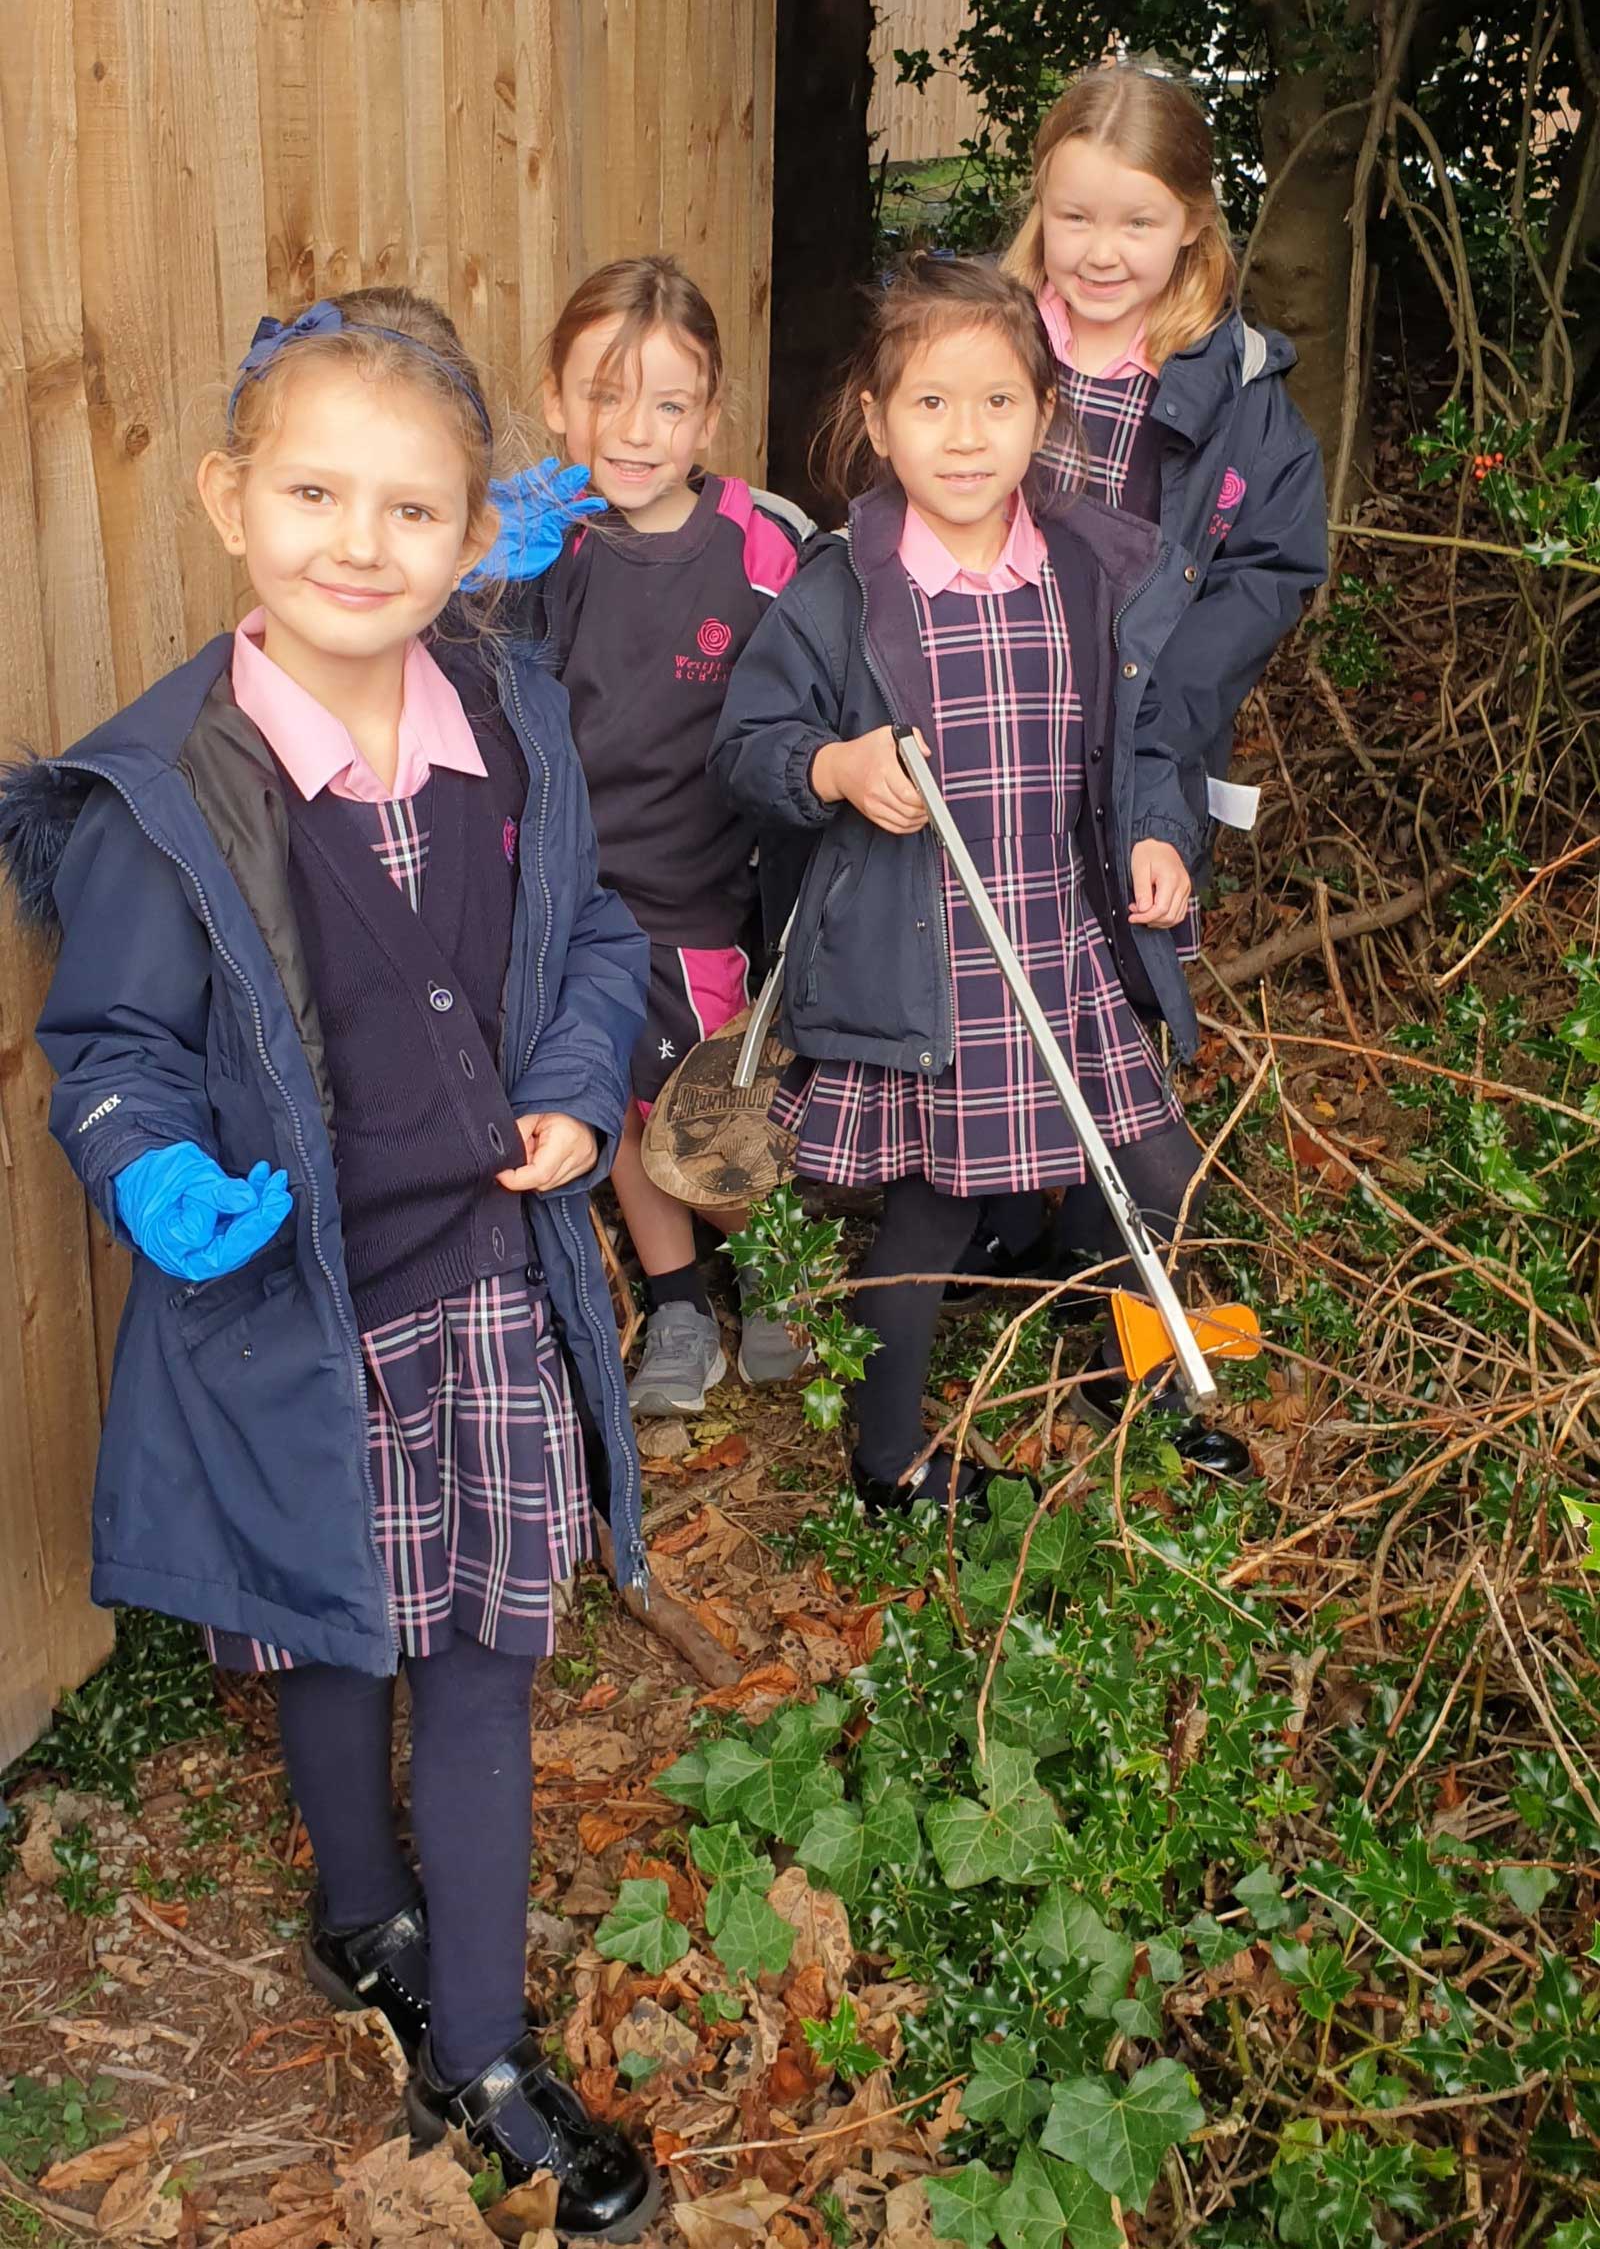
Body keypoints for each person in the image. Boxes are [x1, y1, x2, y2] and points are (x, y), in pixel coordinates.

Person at [0, 290, 659, 2241]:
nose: (356, 542)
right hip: (299, 1320)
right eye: (312, 490)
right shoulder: (173, 797)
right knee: (325, 1620)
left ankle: (473, 2040)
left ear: (470, 540)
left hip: (481, 1282)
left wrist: (569, 1081)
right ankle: (355, 1903)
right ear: (228, 497)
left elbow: (599, 940)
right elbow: (108, 1046)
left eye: (408, 507)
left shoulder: (508, 735)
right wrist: (144, 1171)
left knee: (476, 1651)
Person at [711, 256, 1250, 1503]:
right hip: (931, 961)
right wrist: (837, 766)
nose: (965, 437)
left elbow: (1144, 735)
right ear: (875, 417)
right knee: (936, 1212)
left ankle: (1143, 1374)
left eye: (998, 403)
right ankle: (887, 1459)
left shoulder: (1082, 572)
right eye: (931, 406)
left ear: (1043, 415)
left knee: (1157, 1177)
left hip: (1060, 942)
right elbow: (747, 749)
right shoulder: (843, 591)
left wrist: (1157, 835)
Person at [950, 59, 1329, 1309]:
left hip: (1139, 746)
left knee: (1114, 992)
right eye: (1073, 215)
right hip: (989, 728)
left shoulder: (1232, 386)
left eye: (1136, 220)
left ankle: (1131, 1292)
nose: (1099, 251)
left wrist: (1161, 739)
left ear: (1192, 224)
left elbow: (1270, 565)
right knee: (986, 973)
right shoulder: (988, 341)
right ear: (1036, 208)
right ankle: (1011, 1217)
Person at [499, 255, 813, 1421]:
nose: (632, 431)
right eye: (602, 394)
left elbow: (833, 681)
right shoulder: (536, 543)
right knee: (608, 1094)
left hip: (695, 900)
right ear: (553, 396)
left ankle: (783, 1269)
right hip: (573, 895)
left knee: (700, 1103)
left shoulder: (760, 544)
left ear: (710, 414)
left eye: (667, 404)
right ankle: (678, 1298)